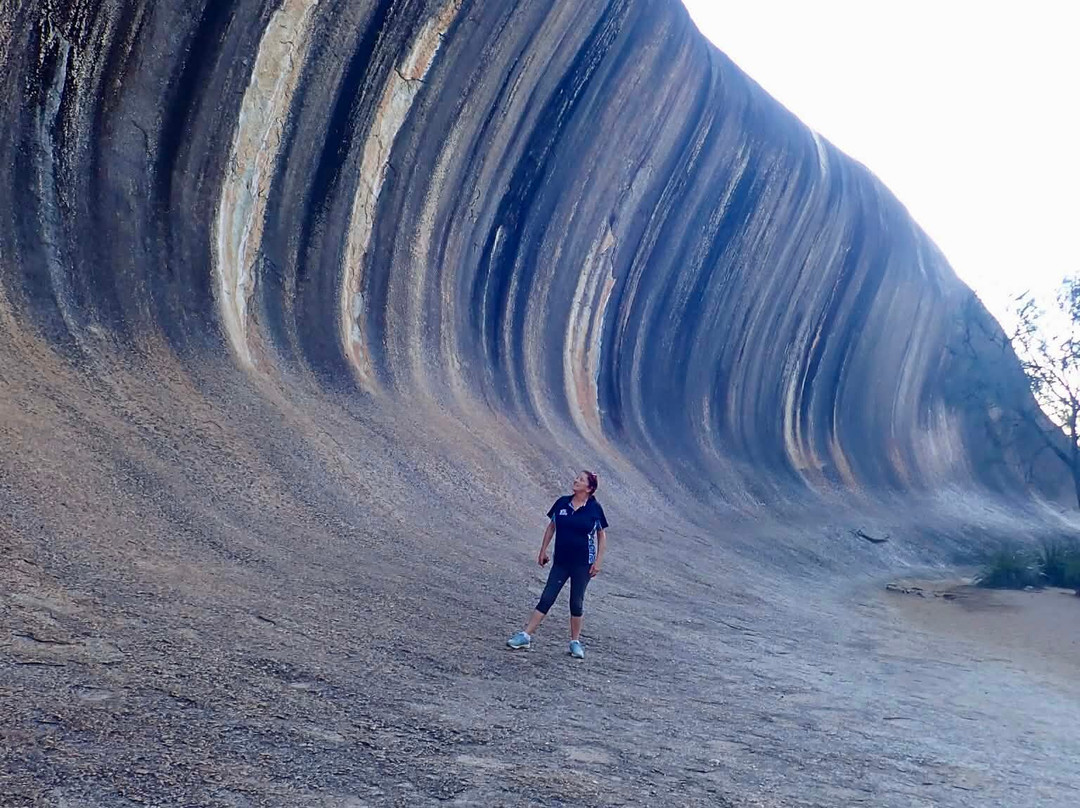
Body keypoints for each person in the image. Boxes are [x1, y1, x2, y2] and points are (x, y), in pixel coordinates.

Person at [507, 470, 608, 659]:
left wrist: (598, 561)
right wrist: (543, 550)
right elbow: (552, 526)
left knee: (576, 602)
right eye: (577, 478)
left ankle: (575, 642)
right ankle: (525, 635)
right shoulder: (562, 503)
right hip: (561, 561)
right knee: (547, 597)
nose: (576, 480)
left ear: (589, 488)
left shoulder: (595, 509)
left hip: (582, 564)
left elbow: (601, 535)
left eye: (581, 480)